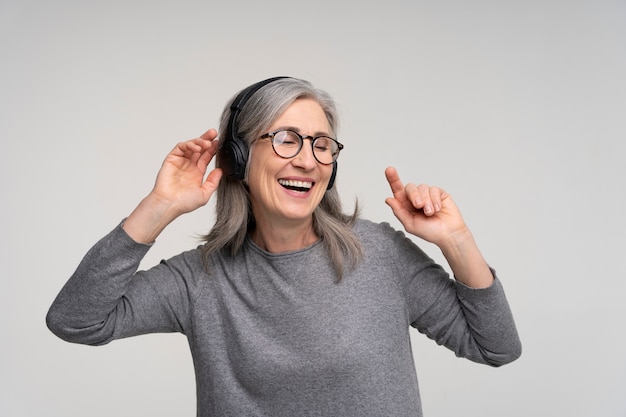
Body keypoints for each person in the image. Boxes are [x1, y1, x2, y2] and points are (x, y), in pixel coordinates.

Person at [47, 76, 521, 417]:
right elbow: (75, 320)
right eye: (286, 139)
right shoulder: (198, 280)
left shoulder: (377, 253)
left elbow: (496, 347)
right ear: (237, 158)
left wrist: (456, 241)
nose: (308, 160)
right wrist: (159, 205)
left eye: (321, 144)